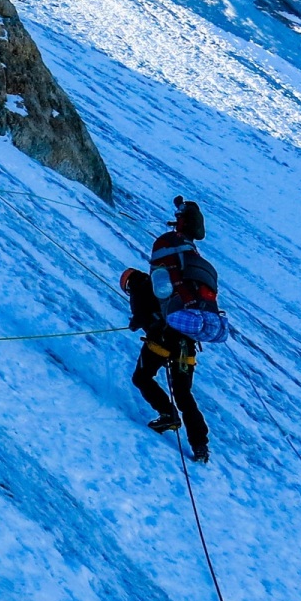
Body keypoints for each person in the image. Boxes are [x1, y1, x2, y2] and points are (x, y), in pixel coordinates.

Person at [119, 197, 214, 462]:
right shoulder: (189, 270)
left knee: (142, 377)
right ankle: (200, 446)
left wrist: (138, 320)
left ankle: (167, 415)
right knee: (184, 394)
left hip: (161, 338)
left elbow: (142, 308)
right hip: (187, 339)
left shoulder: (145, 283)